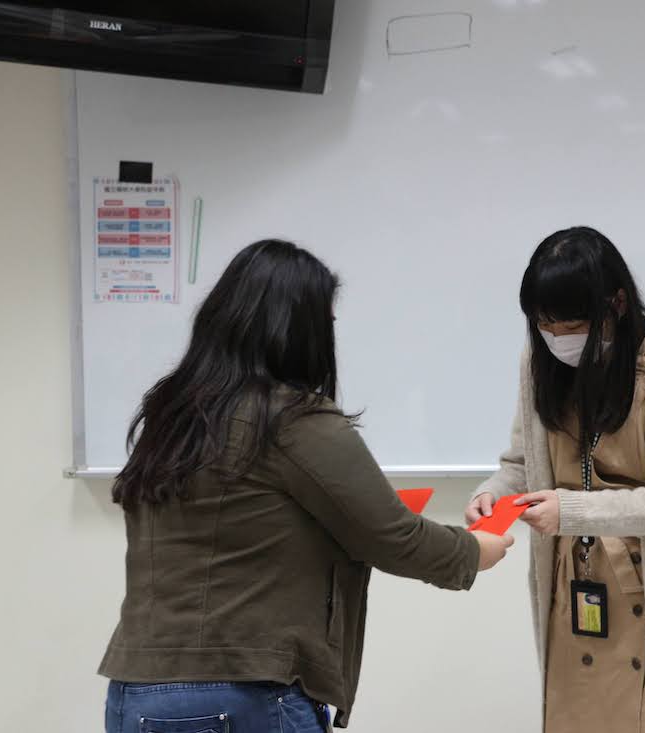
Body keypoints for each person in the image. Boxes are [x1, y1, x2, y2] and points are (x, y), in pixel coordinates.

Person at [99, 239, 513, 732]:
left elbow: (242, 526)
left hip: (135, 692)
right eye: (325, 323)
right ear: (296, 330)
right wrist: (476, 550)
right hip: (242, 691)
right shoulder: (291, 419)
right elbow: (392, 537)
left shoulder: (172, 414)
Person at [465, 227, 645, 733]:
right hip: (574, 590)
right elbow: (522, 463)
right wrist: (491, 495)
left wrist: (573, 511)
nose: (557, 339)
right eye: (544, 325)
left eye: (571, 325)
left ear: (615, 303)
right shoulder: (541, 363)